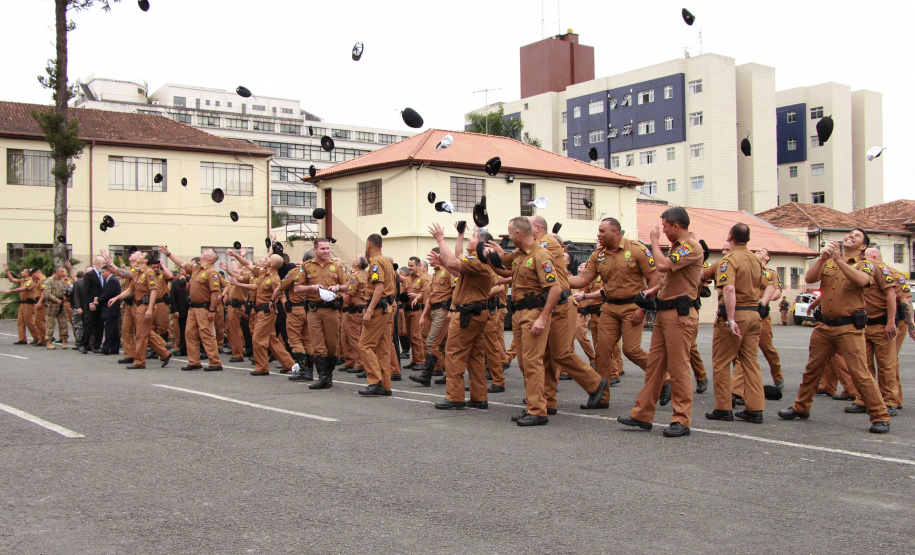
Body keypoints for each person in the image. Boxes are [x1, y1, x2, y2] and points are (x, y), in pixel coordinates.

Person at [777, 229, 890, 434]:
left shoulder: (865, 265)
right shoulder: (828, 261)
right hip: (824, 326)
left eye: (856, 236)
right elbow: (811, 278)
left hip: (848, 327)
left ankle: (880, 416)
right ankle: (801, 408)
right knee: (812, 370)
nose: (850, 236)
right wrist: (822, 259)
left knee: (860, 373)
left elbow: (861, 281)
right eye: (849, 234)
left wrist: (839, 260)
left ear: (863, 246)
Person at [618, 206, 703, 438]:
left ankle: (681, 419)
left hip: (680, 314)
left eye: (664, 226)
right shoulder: (678, 247)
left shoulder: (690, 247)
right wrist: (655, 289)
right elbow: (673, 277)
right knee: (655, 367)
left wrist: (653, 241)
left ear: (676, 225)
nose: (662, 231)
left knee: (678, 368)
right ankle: (642, 415)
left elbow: (663, 266)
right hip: (665, 312)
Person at [569, 217, 658, 407]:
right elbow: (582, 280)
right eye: (599, 231)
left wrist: (644, 308)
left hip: (633, 306)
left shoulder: (636, 249)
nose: (598, 235)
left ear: (615, 232)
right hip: (609, 307)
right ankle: (601, 397)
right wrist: (557, 280)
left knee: (631, 350)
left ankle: (664, 378)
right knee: (602, 351)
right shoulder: (598, 255)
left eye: (602, 231)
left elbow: (654, 278)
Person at [527, 217, 608, 413]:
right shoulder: (536, 245)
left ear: (537, 228)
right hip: (549, 304)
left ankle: (595, 384)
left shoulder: (547, 241)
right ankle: (548, 400)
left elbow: (531, 251)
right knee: (546, 356)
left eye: (526, 226)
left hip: (562, 303)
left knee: (561, 353)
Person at [487, 217, 562, 426]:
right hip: (519, 313)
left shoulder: (541, 255)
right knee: (523, 363)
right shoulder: (520, 255)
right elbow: (504, 267)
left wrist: (543, 317)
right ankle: (533, 404)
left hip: (533, 313)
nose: (509, 237)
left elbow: (555, 288)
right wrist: (489, 258)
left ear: (519, 233)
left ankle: (538, 411)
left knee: (532, 363)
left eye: (510, 233)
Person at [705, 223, 773, 424]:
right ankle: (755, 409)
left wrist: (731, 319)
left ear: (730, 237)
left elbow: (729, 289)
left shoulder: (729, 260)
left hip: (736, 315)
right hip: (754, 315)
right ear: (748, 239)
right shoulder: (755, 260)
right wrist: (761, 304)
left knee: (721, 361)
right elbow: (768, 287)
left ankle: (723, 408)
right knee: (750, 362)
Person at [426, 223, 495, 409]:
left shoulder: (478, 262)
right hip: (476, 313)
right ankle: (479, 397)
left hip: (468, 314)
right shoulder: (479, 262)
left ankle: (455, 397)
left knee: (454, 353)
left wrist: (440, 239)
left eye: (472, 237)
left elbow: (455, 261)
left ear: (481, 243)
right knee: (475, 356)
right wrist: (446, 261)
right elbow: (457, 263)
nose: (469, 240)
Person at [284, 238, 348, 390]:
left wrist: (337, 288)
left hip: (332, 309)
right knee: (318, 345)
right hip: (314, 310)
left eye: (327, 248)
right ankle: (323, 377)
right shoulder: (306, 267)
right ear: (315, 250)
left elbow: (346, 287)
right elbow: (297, 288)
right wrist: (312, 288)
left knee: (332, 345)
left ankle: (329, 375)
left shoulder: (336, 266)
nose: (326, 251)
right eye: (322, 249)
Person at [848, 246, 900, 415]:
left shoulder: (881, 270)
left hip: (881, 325)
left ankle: (890, 401)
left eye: (865, 256)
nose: (862, 258)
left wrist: (891, 322)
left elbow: (891, 295)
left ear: (875, 257)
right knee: (864, 366)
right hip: (864, 325)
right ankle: (864, 400)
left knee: (886, 366)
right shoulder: (859, 271)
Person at [226, 251, 295, 376]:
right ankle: (289, 364)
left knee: (257, 339)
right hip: (259, 311)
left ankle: (262, 366)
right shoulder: (263, 273)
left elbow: (281, 296)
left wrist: (289, 314)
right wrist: (235, 255)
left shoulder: (275, 279)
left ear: (273, 264)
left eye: (269, 258)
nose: (266, 259)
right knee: (271, 340)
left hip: (267, 311)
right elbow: (248, 267)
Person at [158, 246, 223, 372]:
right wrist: (169, 254)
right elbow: (181, 263)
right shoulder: (196, 268)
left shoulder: (212, 272)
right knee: (189, 333)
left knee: (206, 335)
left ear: (210, 258)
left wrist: (211, 310)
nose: (204, 251)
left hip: (204, 308)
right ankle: (194, 361)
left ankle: (215, 362)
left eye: (207, 251)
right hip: (193, 308)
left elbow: (215, 293)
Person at [110, 250, 172, 370]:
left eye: (141, 256)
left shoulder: (149, 273)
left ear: (145, 260)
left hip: (145, 305)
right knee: (145, 333)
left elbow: (153, 291)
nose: (139, 256)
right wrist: (116, 298)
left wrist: (150, 308)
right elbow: (129, 290)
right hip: (139, 305)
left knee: (141, 335)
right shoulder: (138, 273)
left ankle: (139, 361)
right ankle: (164, 353)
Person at [357, 234, 397, 396]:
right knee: (383, 349)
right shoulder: (387, 261)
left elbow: (379, 288)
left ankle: (375, 382)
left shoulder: (376, 263)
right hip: (387, 308)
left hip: (378, 309)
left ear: (369, 246)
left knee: (364, 345)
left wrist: (369, 310)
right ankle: (386, 386)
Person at [410, 247, 454, 386]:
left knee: (431, 342)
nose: (429, 259)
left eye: (432, 256)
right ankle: (450, 375)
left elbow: (455, 290)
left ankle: (426, 376)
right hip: (433, 310)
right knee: (444, 345)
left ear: (440, 256)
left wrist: (452, 309)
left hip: (443, 310)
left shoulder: (448, 271)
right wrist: (423, 316)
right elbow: (430, 297)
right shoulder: (435, 274)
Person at [341, 256, 369, 374]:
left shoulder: (355, 276)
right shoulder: (366, 274)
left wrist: (338, 304)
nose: (354, 259)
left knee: (354, 338)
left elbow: (348, 294)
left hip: (354, 310)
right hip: (360, 309)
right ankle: (350, 361)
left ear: (357, 263)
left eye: (355, 258)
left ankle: (360, 363)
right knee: (346, 337)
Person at [400, 256, 429, 371]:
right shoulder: (407, 279)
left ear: (418, 266)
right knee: (410, 336)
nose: (409, 268)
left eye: (412, 265)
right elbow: (403, 292)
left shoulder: (424, 279)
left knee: (417, 336)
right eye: (409, 265)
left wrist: (418, 296)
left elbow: (428, 295)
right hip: (407, 310)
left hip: (418, 310)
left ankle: (421, 361)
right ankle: (414, 359)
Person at [2, 266, 43, 345]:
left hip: (28, 303)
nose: (21, 272)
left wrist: (10, 290)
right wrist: (7, 270)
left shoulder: (30, 281)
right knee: (20, 322)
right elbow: (12, 279)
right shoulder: (23, 281)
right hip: (22, 303)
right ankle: (22, 339)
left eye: (23, 271)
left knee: (29, 321)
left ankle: (37, 337)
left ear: (27, 273)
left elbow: (23, 289)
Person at [77, 257, 106, 354]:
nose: (104, 265)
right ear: (97, 263)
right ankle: (83, 344)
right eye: (103, 263)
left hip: (101, 304)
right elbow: (86, 290)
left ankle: (96, 345)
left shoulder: (103, 275)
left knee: (100, 325)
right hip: (91, 304)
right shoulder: (90, 275)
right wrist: (90, 303)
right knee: (88, 325)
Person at [39, 266, 70, 350]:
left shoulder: (62, 281)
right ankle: (49, 342)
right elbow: (47, 293)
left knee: (64, 322)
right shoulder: (49, 281)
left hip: (61, 304)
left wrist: (65, 297)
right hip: (52, 305)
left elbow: (65, 290)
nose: (63, 273)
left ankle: (64, 340)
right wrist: (56, 300)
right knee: (50, 323)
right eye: (61, 272)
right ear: (57, 271)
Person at [97, 266, 122, 355]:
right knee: (113, 329)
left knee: (109, 329)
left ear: (109, 271)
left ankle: (106, 348)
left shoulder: (112, 280)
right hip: (111, 309)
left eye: (103, 272)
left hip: (111, 308)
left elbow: (108, 294)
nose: (102, 274)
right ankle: (115, 347)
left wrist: (98, 300)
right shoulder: (109, 280)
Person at [169, 267, 189, 356]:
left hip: (192, 309)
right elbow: (172, 297)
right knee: (182, 330)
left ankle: (199, 349)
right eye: (183, 270)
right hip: (181, 310)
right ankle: (182, 348)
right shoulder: (175, 283)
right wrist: (175, 310)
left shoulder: (192, 280)